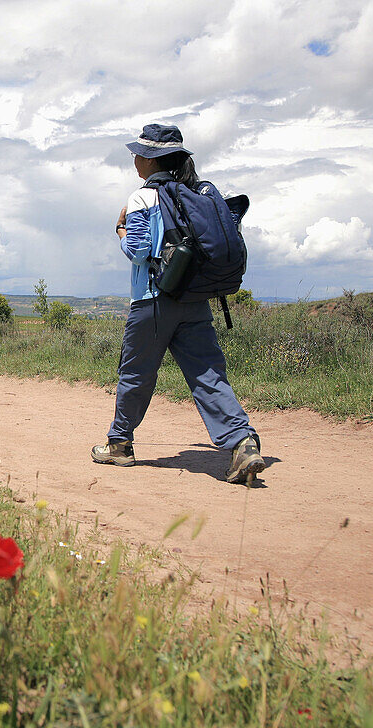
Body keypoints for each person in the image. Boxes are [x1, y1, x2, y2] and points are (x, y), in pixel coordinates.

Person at [90, 123, 265, 484]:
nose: (135, 159)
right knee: (208, 375)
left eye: (138, 153)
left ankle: (120, 445)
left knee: (136, 374)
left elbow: (138, 252)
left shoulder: (143, 198)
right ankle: (242, 441)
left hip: (153, 301)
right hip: (195, 300)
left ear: (150, 160)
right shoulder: (196, 194)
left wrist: (121, 231)